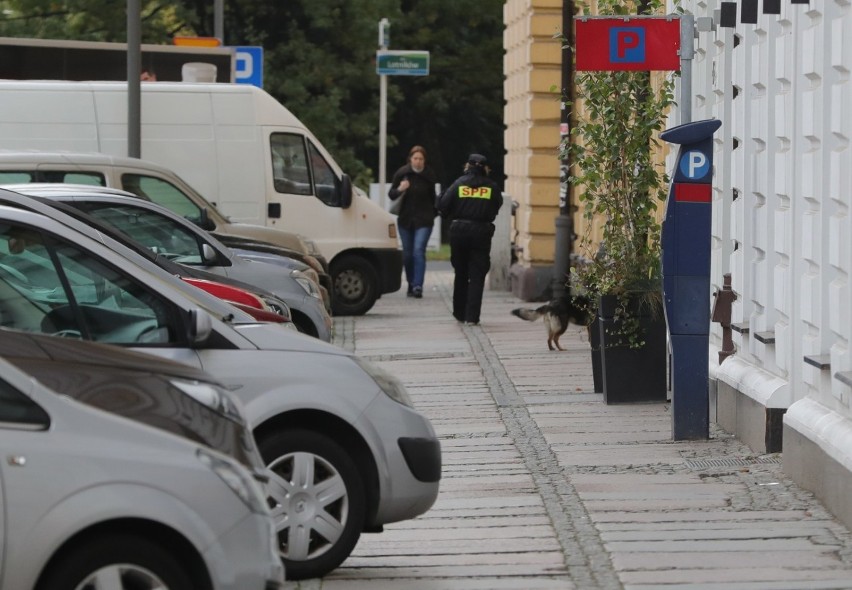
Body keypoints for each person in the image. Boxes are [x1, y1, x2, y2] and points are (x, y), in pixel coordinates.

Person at [436, 153, 503, 325]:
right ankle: (472, 317)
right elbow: (497, 205)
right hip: (481, 232)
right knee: (477, 276)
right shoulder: (491, 187)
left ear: (468, 166)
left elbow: (443, 205)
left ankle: (459, 313)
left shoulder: (459, 184)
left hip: (459, 232)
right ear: (486, 168)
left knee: (461, 273)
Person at [388, 145, 438, 298]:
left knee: (418, 251)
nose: (418, 162)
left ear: (424, 161)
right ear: (410, 159)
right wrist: (401, 189)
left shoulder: (429, 175)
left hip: (424, 220)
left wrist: (433, 214)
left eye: (421, 159)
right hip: (405, 220)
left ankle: (418, 286)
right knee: (408, 255)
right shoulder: (402, 173)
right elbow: (391, 194)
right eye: (415, 158)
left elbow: (433, 197)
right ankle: (410, 283)